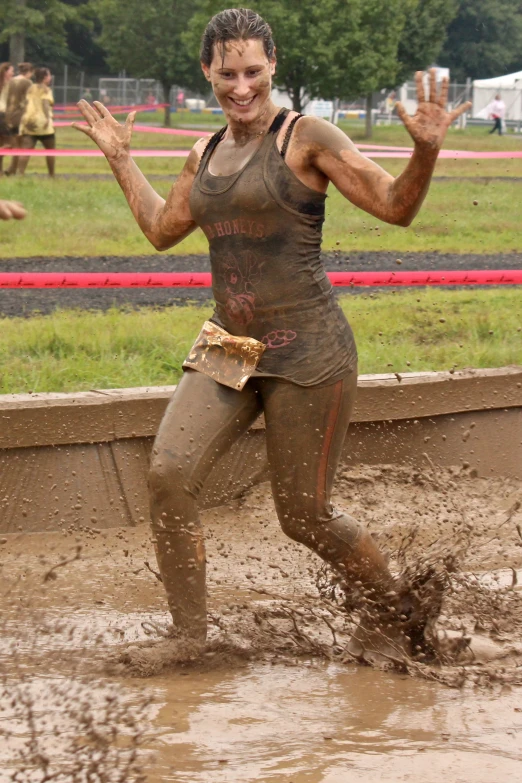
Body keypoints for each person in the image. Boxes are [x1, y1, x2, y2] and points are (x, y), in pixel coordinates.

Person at [74, 8, 470, 667]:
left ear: (273, 66)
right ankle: (191, 641)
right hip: (231, 344)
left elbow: (396, 206)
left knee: (305, 514)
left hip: (309, 349)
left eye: (252, 71)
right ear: (207, 71)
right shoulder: (202, 152)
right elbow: (160, 228)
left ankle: (397, 613)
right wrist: (121, 159)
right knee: (168, 474)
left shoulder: (306, 136)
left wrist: (426, 152)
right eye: (226, 73)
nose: (240, 86)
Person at [17, 67, 55, 177]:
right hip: (42, 123)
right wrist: (48, 118)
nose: (50, 77)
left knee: (26, 151)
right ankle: (51, 175)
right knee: (50, 151)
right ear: (44, 77)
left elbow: (25, 103)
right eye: (48, 75)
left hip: (29, 122)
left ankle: (20, 174)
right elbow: (45, 103)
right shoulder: (46, 90)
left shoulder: (30, 88)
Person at [4, 62, 34, 176]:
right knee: (21, 145)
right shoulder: (28, 82)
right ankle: (14, 170)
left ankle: (11, 169)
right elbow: (30, 100)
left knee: (15, 143)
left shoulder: (11, 81)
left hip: (8, 115)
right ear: (29, 72)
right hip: (20, 116)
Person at [0, 62, 15, 175]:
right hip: (2, 116)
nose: (13, 73)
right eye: (11, 71)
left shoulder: (10, 84)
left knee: (4, 145)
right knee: (12, 144)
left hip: (5, 115)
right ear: (5, 72)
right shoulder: (5, 85)